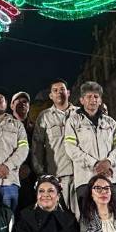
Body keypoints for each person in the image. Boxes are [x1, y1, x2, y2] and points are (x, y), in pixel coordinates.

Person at [64, 81, 116, 210]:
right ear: (82, 100)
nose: (93, 100)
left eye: (96, 97)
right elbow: (71, 148)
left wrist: (109, 161)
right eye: (89, 97)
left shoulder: (110, 122)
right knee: (89, 221)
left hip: (111, 178)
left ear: (100, 100)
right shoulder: (73, 122)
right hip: (86, 180)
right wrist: (95, 164)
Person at [33, 80, 78, 212]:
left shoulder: (80, 114)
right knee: (62, 218)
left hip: (81, 174)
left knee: (83, 217)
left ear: (68, 93)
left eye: (62, 89)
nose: (59, 93)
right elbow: (37, 146)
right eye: (55, 90)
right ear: (51, 96)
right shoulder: (44, 117)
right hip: (58, 176)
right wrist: (41, 173)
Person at [10, 91, 37, 211]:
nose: (22, 104)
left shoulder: (35, 127)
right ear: (11, 106)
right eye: (18, 101)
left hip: (32, 178)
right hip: (12, 177)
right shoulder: (5, 126)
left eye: (25, 102)